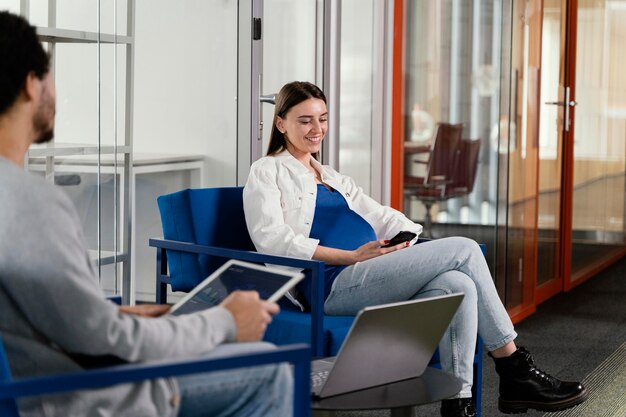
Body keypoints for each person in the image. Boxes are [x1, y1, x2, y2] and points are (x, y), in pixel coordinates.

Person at [0, 11, 291, 417]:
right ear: (32, 83)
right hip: (70, 394)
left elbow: (45, 317)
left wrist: (120, 312)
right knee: (269, 366)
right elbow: (102, 340)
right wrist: (223, 323)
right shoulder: (29, 202)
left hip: (39, 371)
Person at [243, 81, 588, 417]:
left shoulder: (330, 175)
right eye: (305, 120)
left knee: (459, 284)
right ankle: (514, 368)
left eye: (323, 118)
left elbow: (380, 215)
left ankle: (458, 401)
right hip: (330, 283)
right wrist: (349, 257)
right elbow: (272, 239)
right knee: (465, 250)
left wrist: (405, 238)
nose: (317, 128)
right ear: (281, 123)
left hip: (370, 270)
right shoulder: (267, 171)